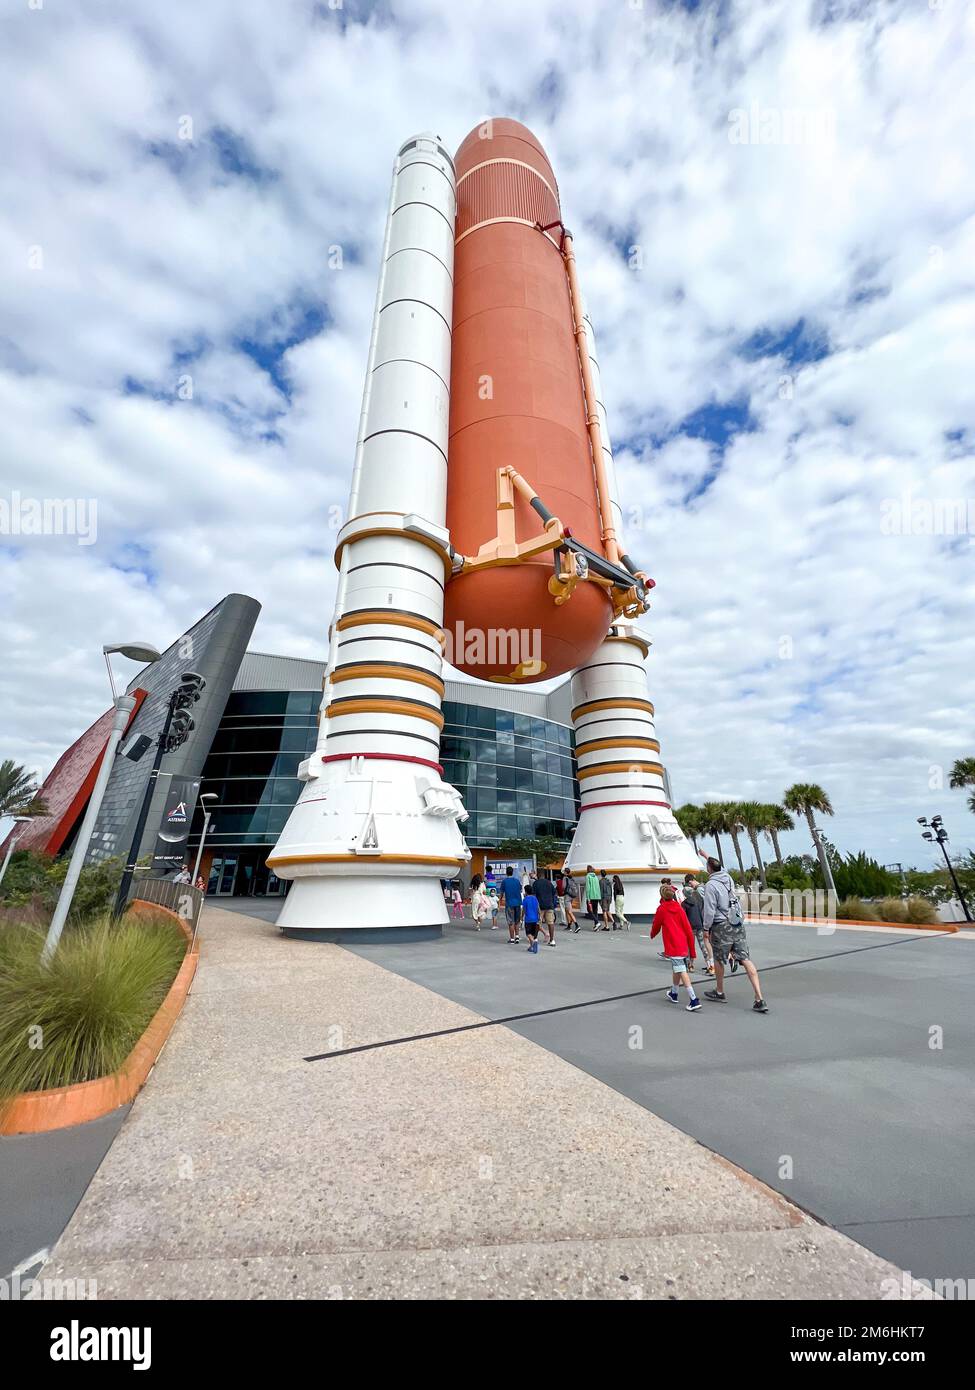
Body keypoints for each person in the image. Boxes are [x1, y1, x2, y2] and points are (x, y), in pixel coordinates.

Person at [701, 857, 768, 1012]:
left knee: (719, 959)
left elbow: (710, 909)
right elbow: (719, 867)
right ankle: (759, 997)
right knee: (745, 958)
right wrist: (706, 856)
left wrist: (706, 928)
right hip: (737, 924)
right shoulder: (728, 878)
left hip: (721, 926)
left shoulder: (711, 885)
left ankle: (719, 991)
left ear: (708, 869)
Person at [651, 884, 701, 1011]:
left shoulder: (661, 909)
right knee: (677, 969)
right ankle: (674, 992)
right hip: (683, 944)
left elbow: (656, 924)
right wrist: (692, 952)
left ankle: (693, 999)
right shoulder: (679, 909)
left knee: (682, 970)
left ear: (662, 895)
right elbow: (688, 930)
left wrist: (652, 934)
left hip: (674, 946)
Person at [682, 873, 713, 972]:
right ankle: (710, 965)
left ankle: (690, 965)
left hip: (690, 927)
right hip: (699, 925)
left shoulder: (684, 904)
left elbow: (683, 917)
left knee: (689, 946)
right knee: (703, 945)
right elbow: (701, 912)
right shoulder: (697, 902)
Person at [533, 871, 559, 946]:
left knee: (538, 922)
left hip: (540, 905)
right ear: (544, 876)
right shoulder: (549, 883)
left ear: (538, 875)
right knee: (550, 922)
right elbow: (554, 892)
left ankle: (535, 938)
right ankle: (552, 940)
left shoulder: (536, 883)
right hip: (549, 905)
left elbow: (534, 894)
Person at [500, 865, 523, 945]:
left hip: (509, 903)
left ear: (506, 873)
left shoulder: (504, 881)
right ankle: (517, 936)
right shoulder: (517, 881)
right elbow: (520, 889)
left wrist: (500, 901)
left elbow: (502, 893)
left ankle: (512, 938)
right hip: (518, 903)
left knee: (511, 921)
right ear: (512, 872)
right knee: (517, 921)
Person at [523, 883, 541, 954]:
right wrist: (540, 916)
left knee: (528, 934)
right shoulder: (535, 898)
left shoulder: (525, 899)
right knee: (533, 934)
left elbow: (524, 910)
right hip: (535, 919)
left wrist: (521, 918)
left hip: (528, 919)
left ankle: (533, 943)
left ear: (526, 892)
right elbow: (538, 908)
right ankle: (531, 947)